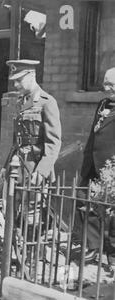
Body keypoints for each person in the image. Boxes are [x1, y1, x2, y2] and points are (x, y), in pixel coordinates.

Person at [76, 67, 115, 263]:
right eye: (106, 83)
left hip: (111, 169)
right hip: (92, 163)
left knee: (113, 211)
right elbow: (94, 133)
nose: (107, 88)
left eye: (112, 85)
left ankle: (113, 252)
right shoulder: (102, 104)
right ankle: (93, 245)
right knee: (84, 201)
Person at [1, 59, 62, 185]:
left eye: (19, 80)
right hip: (18, 164)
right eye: (14, 81)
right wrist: (5, 166)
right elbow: (17, 140)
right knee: (12, 201)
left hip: (35, 166)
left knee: (32, 203)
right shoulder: (20, 102)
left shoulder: (47, 102)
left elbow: (53, 142)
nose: (16, 85)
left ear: (32, 76)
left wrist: (42, 170)